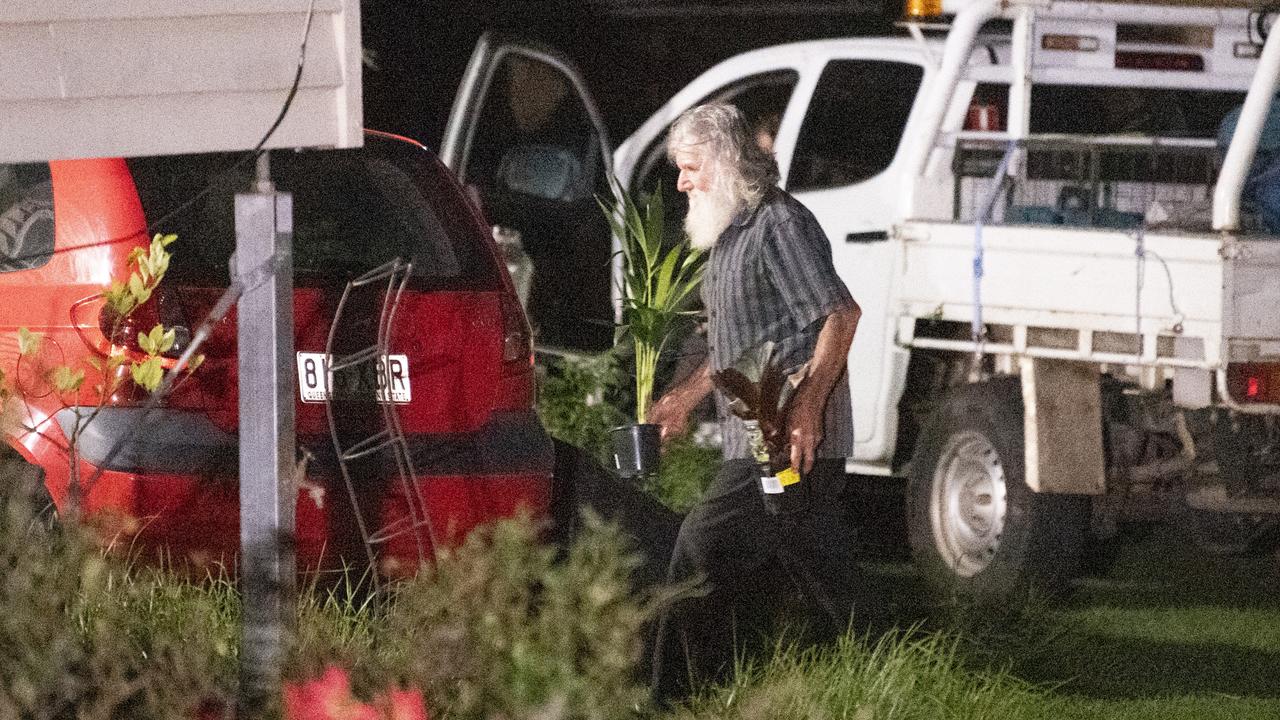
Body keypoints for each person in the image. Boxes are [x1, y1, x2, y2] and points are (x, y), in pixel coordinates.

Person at [646, 103, 863, 700]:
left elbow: (839, 315)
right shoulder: (728, 237)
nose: (683, 182)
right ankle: (865, 670)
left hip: (785, 438)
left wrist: (808, 408)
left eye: (690, 168)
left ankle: (670, 698)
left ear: (722, 161)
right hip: (758, 433)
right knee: (804, 570)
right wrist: (683, 400)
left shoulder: (779, 226)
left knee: (698, 549)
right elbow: (736, 349)